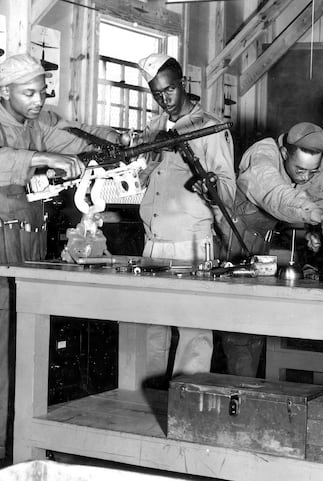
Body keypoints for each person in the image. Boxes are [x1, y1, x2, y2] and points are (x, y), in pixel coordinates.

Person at [0, 53, 120, 468]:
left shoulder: (39, 125)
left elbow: (77, 138)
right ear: (5, 91)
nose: (37, 100)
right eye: (28, 93)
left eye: (42, 91)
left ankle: (26, 443)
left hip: (30, 251)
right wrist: (39, 159)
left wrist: (121, 141)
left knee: (31, 350)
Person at [137, 53, 236, 381]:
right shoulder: (154, 127)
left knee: (193, 332)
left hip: (191, 243)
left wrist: (209, 186)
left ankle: (188, 408)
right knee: (152, 329)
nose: (163, 99)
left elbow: (228, 191)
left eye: (168, 90)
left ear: (183, 84)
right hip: (154, 243)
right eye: (156, 94)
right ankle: (147, 402)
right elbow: (143, 177)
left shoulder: (209, 127)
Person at [221, 122, 323, 377]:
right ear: (285, 153)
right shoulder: (264, 154)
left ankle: (250, 389)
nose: (306, 176)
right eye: (300, 170)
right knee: (239, 329)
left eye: (312, 171)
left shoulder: (311, 161)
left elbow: (319, 195)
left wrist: (315, 229)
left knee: (254, 324)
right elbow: (276, 196)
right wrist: (319, 217)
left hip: (260, 240)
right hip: (229, 238)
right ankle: (240, 394)